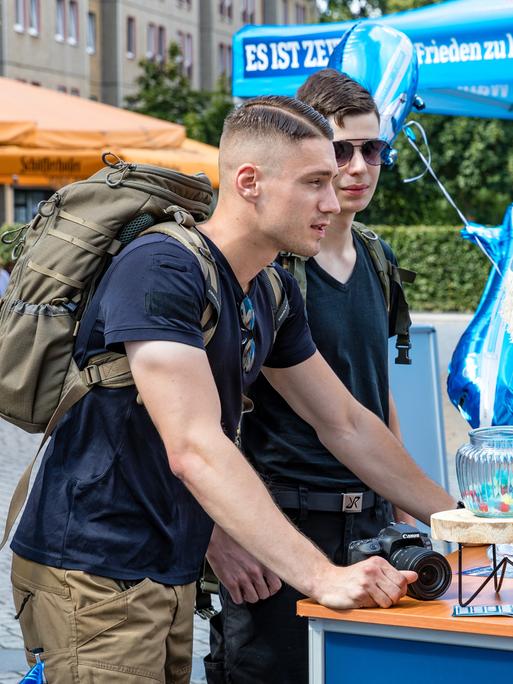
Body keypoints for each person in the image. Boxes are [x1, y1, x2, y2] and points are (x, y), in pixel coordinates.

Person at [10, 96, 455, 684]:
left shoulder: (269, 286)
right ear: (250, 182)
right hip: (97, 570)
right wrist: (322, 577)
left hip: (167, 569)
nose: (333, 199)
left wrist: (466, 522)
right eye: (315, 181)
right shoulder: (162, 268)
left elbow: (344, 423)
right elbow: (194, 447)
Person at [205, 71, 429, 684]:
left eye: (372, 149)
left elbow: (367, 406)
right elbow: (199, 425)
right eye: (339, 151)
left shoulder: (379, 259)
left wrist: (412, 511)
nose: (357, 167)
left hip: (370, 524)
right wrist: (221, 533)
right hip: (279, 523)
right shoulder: (270, 269)